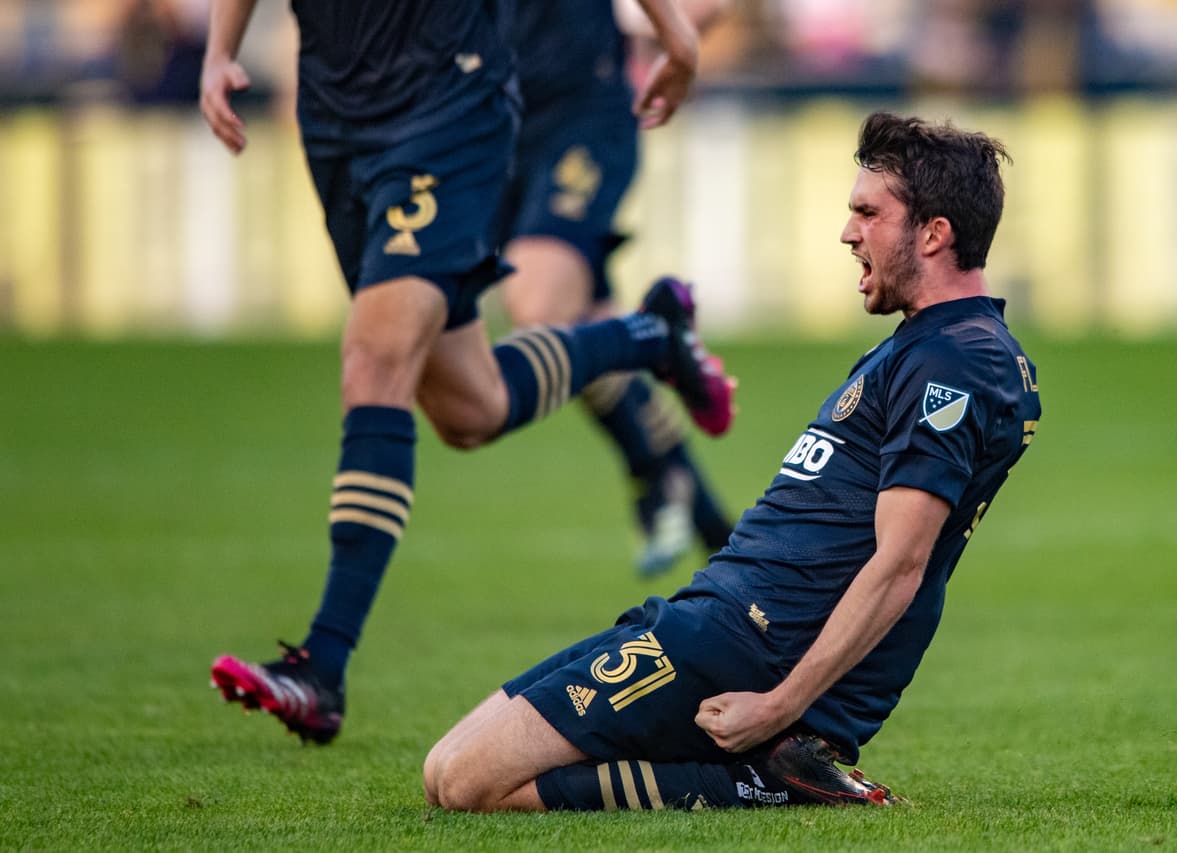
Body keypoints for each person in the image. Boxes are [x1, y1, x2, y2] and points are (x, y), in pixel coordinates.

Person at [421, 111, 1042, 811]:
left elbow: (902, 565)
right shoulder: (931, 345)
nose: (847, 233)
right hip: (707, 617)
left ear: (934, 233)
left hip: (746, 646)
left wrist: (779, 707)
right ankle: (773, 766)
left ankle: (765, 776)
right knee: (441, 769)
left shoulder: (955, 361)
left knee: (469, 783)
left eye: (869, 214)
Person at [200, 0, 735, 744]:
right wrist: (220, 48)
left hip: (460, 100)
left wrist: (676, 33)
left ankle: (322, 665)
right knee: (468, 408)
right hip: (338, 110)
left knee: (381, 352)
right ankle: (648, 336)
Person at [497, 0, 734, 577]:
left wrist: (653, 31)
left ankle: (657, 339)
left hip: (582, 113)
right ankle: (721, 543)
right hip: (494, 124)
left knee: (538, 313)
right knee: (587, 333)